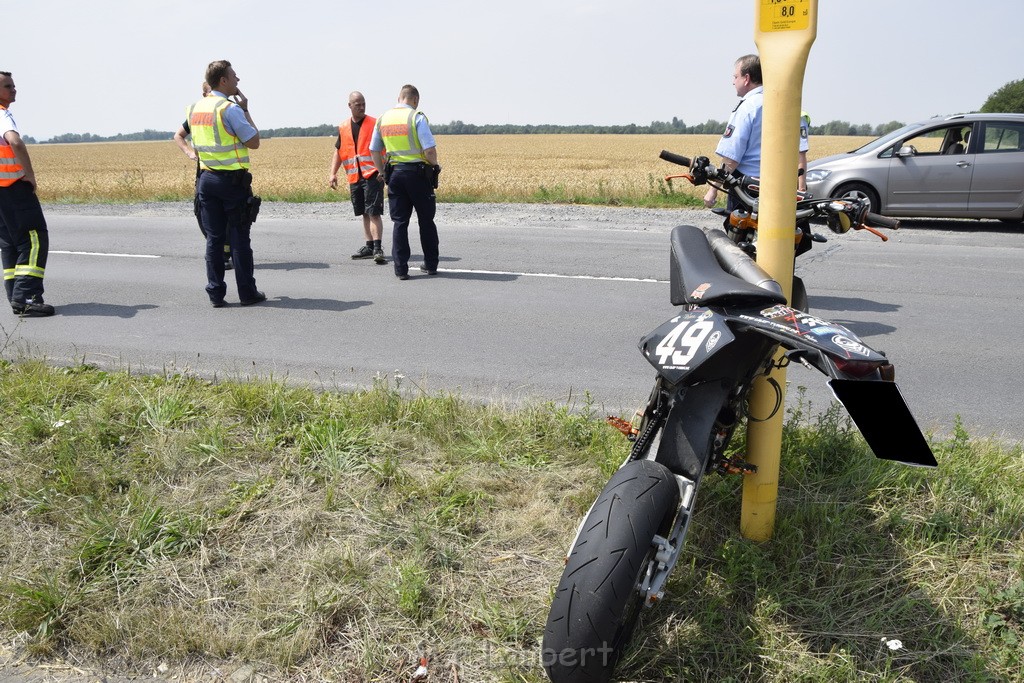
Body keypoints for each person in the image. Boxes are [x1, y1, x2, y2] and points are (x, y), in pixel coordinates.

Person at [186, 60, 265, 307]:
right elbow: (253, 141)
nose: (237, 80)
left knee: (214, 239)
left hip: (206, 180)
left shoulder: (194, 108)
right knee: (240, 238)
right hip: (231, 181)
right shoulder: (228, 109)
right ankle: (247, 293)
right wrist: (246, 110)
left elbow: (183, 135)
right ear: (223, 80)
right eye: (234, 76)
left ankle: (216, 294)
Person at [704, 55, 810, 214]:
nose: (733, 82)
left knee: (740, 235)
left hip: (747, 189)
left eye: (735, 77)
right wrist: (801, 188)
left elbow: (731, 158)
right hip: (782, 189)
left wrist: (713, 190)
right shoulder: (785, 103)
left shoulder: (748, 108)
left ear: (746, 78)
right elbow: (799, 154)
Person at [370, 84, 440, 280]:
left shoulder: (383, 119)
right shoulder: (416, 117)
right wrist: (435, 165)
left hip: (395, 176)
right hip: (418, 175)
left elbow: (374, 150)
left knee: (400, 222)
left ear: (399, 97)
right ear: (415, 100)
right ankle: (431, 265)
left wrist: (383, 172)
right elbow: (430, 151)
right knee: (426, 221)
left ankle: (401, 269)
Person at [0, 71, 54, 317]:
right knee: (34, 240)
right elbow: (15, 142)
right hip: (14, 189)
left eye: (13, 85)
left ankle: (15, 295)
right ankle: (28, 298)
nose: (14, 90)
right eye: (8, 86)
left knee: (10, 243)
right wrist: (30, 175)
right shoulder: (3, 115)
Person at [174, 82, 232, 270]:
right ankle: (221, 254)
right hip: (204, 170)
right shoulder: (197, 113)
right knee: (205, 213)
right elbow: (178, 135)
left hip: (227, 171)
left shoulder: (226, 108)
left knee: (230, 215)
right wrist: (190, 153)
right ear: (204, 93)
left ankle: (226, 252)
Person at [329, 91, 386, 264]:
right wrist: (333, 173)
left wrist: (384, 171)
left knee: (374, 212)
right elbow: (339, 152)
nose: (361, 107)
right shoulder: (343, 127)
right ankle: (368, 246)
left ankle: (377, 248)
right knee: (364, 213)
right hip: (355, 176)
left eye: (363, 104)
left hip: (373, 175)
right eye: (357, 104)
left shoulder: (374, 124)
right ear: (350, 106)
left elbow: (387, 148)